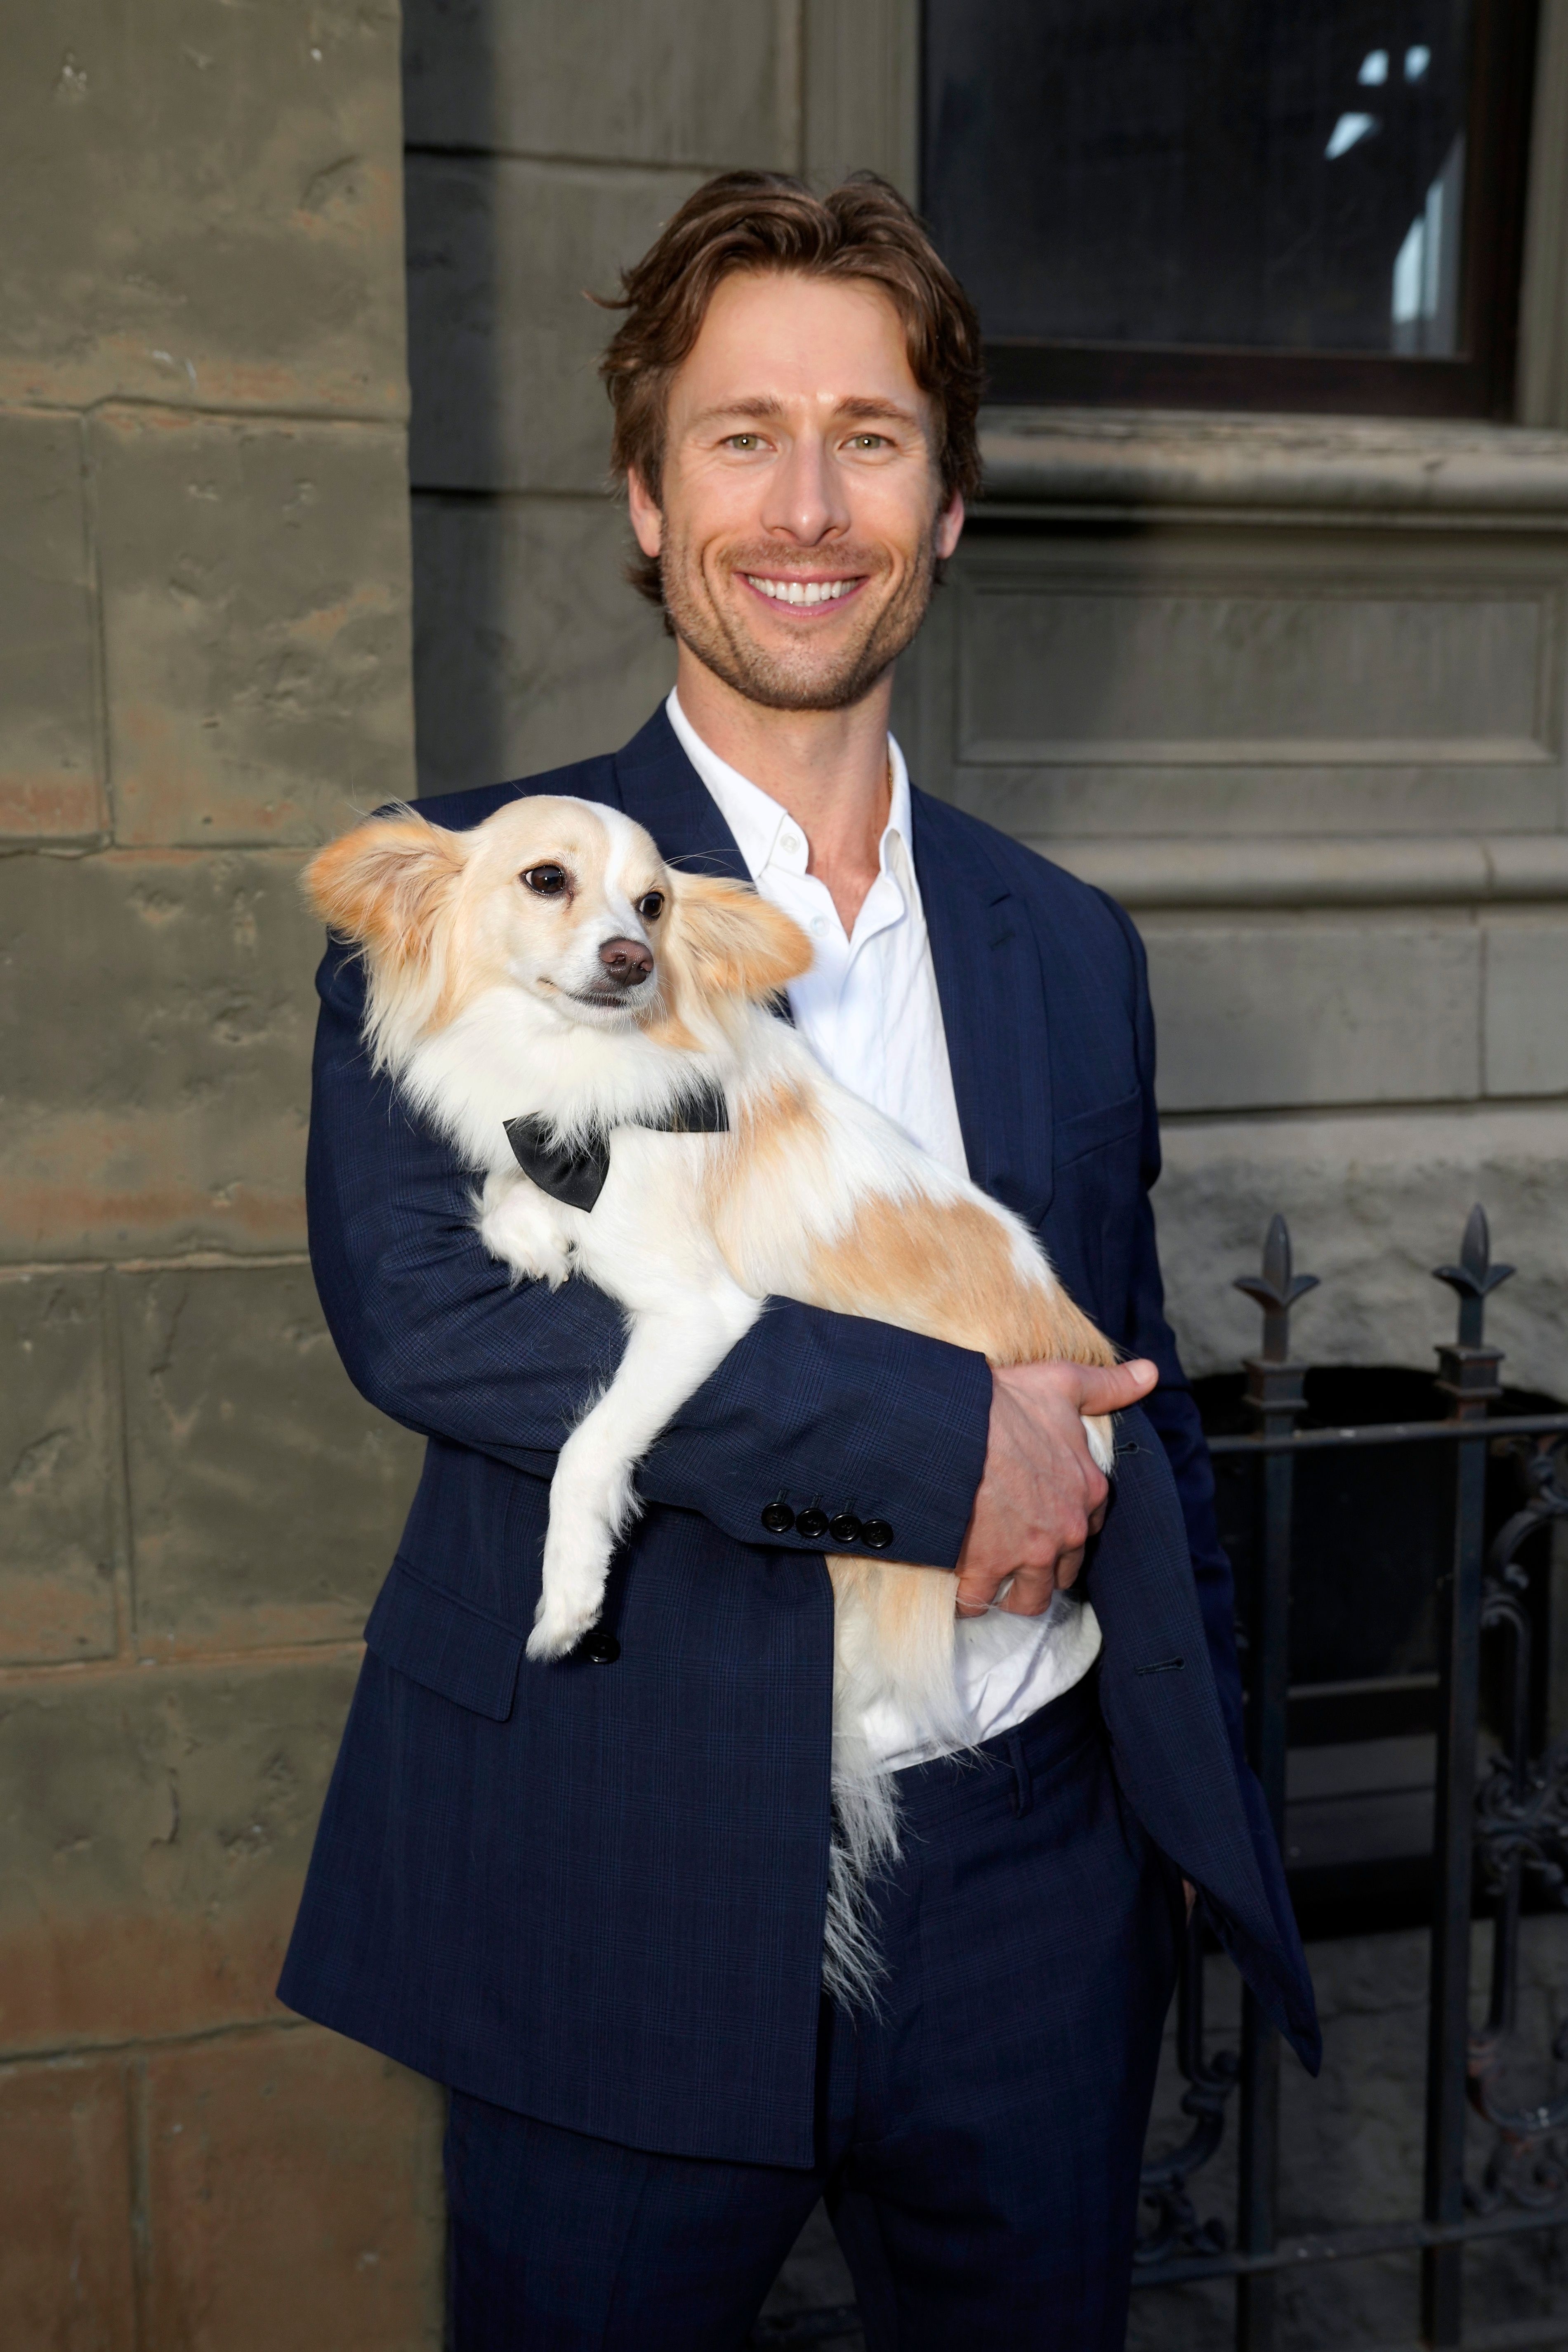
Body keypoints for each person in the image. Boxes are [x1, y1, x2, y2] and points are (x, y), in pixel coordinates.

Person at [280, 172, 1316, 2350]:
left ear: (947, 506)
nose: (809, 503)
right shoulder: (501, 885)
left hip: (1034, 1885)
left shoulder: (1069, 944)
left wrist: (1184, 1829)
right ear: (649, 501)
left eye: (872, 436)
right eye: (744, 434)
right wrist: (944, 1442)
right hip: (623, 1860)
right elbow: (439, 1303)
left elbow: (1136, 1390)